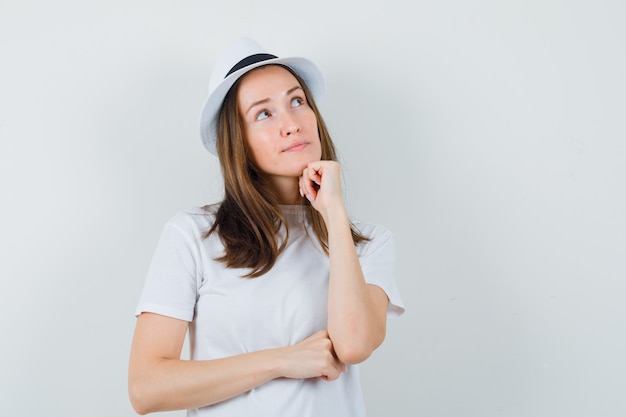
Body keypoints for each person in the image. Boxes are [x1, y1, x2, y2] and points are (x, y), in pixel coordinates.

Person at [128, 37, 405, 417]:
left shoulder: (368, 243)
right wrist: (282, 361)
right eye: (263, 113)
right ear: (237, 141)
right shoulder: (193, 235)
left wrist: (334, 213)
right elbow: (147, 388)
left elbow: (354, 345)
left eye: (297, 101)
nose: (291, 125)